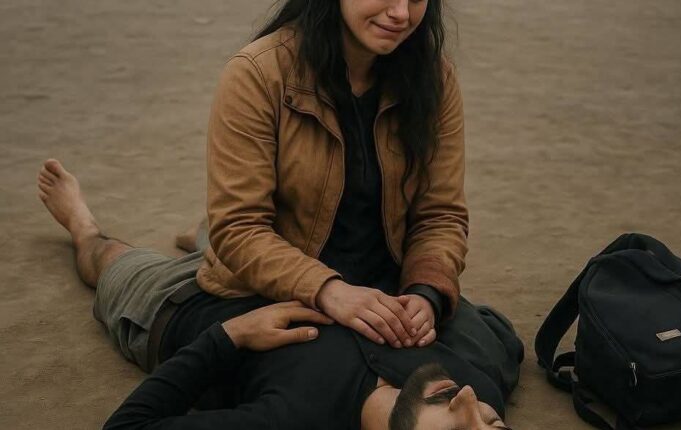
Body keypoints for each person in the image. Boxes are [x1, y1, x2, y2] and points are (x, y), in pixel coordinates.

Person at [36, 160, 523, 429]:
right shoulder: (475, 379)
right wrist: (426, 299)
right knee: (249, 233)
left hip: (182, 304)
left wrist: (230, 335)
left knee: (108, 259)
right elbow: (497, 332)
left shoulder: (291, 421)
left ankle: (82, 225)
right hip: (301, 267)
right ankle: (211, 236)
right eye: (492, 426)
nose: (468, 401)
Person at [197, 0, 470, 350]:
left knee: (483, 353)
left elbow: (441, 215)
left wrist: (425, 293)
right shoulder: (258, 73)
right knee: (333, 368)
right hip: (276, 295)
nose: (402, 13)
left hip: (385, 293)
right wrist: (329, 290)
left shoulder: (434, 78)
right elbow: (238, 227)